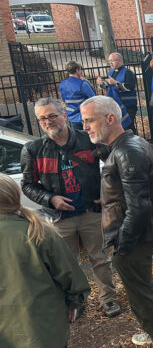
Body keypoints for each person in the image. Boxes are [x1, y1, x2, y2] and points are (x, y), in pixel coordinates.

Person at [79, 96, 153, 348]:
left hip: (135, 234)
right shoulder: (127, 145)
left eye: (89, 120)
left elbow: (139, 206)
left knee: (139, 294)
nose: (85, 127)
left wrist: (123, 244)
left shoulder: (127, 151)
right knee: (144, 284)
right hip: (138, 231)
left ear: (110, 118)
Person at [0, 173, 89, 348]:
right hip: (43, 319)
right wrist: (75, 300)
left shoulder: (34, 229)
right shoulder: (37, 230)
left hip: (4, 325)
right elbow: (69, 272)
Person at [21, 97, 121, 317]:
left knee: (100, 258)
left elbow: (114, 165)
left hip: (91, 211)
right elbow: (27, 185)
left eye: (52, 116)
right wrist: (50, 199)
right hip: (60, 218)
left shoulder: (88, 139)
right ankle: (76, 300)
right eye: (42, 119)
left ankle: (108, 299)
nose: (48, 122)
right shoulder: (33, 149)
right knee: (66, 264)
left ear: (64, 115)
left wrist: (107, 194)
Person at [96, 52, 137, 132]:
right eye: (109, 61)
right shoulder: (111, 72)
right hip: (116, 105)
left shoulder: (128, 72)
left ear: (120, 61)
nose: (110, 63)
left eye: (113, 60)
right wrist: (101, 84)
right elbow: (110, 87)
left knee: (128, 127)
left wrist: (116, 83)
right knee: (120, 128)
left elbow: (130, 87)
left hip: (128, 105)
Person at [59, 61, 95, 130]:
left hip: (72, 117)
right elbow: (94, 99)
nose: (81, 72)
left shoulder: (62, 84)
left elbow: (63, 99)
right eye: (80, 69)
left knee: (77, 135)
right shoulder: (83, 84)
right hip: (84, 116)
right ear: (77, 70)